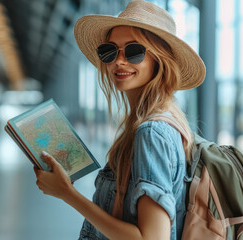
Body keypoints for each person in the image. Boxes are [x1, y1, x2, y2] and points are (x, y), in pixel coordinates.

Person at [33, 0, 206, 240]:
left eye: (134, 51)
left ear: (159, 59)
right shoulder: (158, 123)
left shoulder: (151, 132)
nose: (119, 61)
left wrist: (67, 193)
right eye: (110, 51)